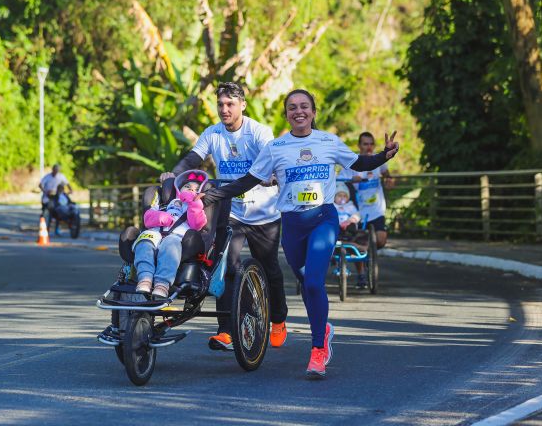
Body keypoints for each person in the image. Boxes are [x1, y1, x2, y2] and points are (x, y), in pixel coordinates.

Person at [202, 89, 399, 376]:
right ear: (287, 114)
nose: (299, 111)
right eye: (292, 107)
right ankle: (323, 325)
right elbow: (247, 181)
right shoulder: (276, 148)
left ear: (313, 112)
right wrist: (212, 196)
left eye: (304, 106)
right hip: (292, 225)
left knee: (315, 282)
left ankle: (318, 349)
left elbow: (359, 163)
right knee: (306, 281)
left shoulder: (328, 141)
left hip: (323, 219)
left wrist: (385, 155)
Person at [159, 82, 289, 351]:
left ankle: (278, 319)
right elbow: (193, 159)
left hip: (264, 214)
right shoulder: (213, 133)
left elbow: (272, 157)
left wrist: (271, 176)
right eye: (220, 104)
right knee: (225, 266)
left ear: (242, 105)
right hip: (230, 211)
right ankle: (227, 331)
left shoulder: (258, 132)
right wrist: (173, 174)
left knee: (271, 269)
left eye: (230, 104)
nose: (224, 109)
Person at [133, 170, 208, 299]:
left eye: (196, 189)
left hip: (178, 237)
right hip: (156, 232)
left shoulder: (196, 205)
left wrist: (193, 203)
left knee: (170, 244)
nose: (191, 190)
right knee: (144, 241)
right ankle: (145, 278)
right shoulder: (165, 203)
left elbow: (197, 224)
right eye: (187, 187)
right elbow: (147, 217)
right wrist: (159, 216)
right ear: (179, 188)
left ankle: (162, 283)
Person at [342, 131, 394, 250]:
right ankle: (362, 263)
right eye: (365, 144)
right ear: (359, 146)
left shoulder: (378, 160)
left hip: (376, 210)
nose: (369, 147)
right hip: (358, 212)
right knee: (360, 240)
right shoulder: (352, 162)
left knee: (381, 240)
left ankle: (363, 250)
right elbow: (340, 181)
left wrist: (389, 180)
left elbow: (386, 174)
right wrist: (351, 180)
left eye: (371, 144)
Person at [39, 164, 72, 235]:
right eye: (54, 170)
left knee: (58, 212)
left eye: (57, 170)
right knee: (47, 211)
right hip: (48, 198)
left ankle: (56, 228)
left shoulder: (61, 177)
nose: (56, 172)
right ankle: (45, 227)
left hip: (57, 198)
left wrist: (70, 190)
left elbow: (67, 184)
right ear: (52, 170)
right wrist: (45, 191)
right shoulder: (48, 177)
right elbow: (40, 184)